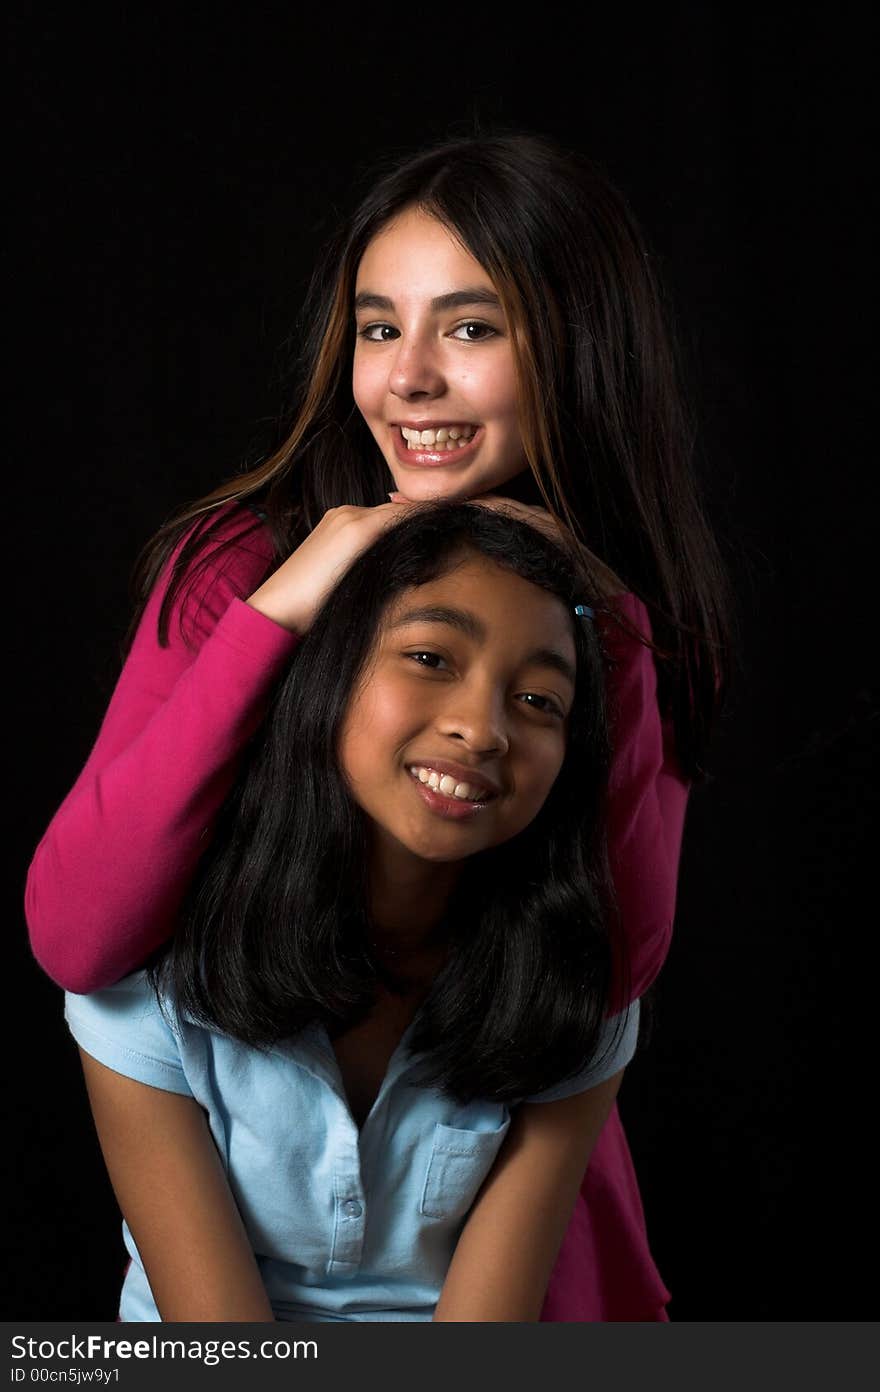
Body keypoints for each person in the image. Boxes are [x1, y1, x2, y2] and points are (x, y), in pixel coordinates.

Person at [27, 129, 730, 1319]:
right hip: (246, 1213)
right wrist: (286, 605)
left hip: (495, 1228)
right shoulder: (238, 570)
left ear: (575, 353)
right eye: (377, 326)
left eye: (469, 328)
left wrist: (604, 633)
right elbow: (79, 937)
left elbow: (604, 977)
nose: (407, 379)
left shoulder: (619, 621)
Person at [66, 503, 641, 1323]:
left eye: (539, 701)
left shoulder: (576, 990)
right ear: (327, 675)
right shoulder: (146, 981)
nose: (482, 730)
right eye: (430, 657)